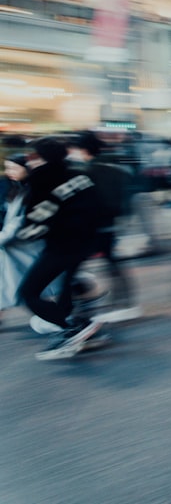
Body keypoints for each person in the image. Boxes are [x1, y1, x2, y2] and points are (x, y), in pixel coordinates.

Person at [17, 136, 103, 360]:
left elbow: (37, 221)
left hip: (61, 245)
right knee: (66, 289)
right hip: (86, 242)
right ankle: (84, 331)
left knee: (29, 292)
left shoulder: (44, 179)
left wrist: (23, 234)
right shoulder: (80, 174)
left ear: (42, 157)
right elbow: (98, 207)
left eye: (32, 156)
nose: (28, 161)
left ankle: (71, 328)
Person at [67, 131, 141, 322]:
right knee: (112, 264)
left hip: (91, 228)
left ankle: (82, 305)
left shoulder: (86, 173)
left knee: (71, 266)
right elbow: (127, 199)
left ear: (83, 150)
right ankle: (126, 302)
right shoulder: (118, 170)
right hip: (111, 226)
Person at [0, 152, 39, 324]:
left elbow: (16, 224)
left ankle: (59, 320)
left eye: (14, 168)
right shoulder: (16, 188)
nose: (10, 172)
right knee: (9, 285)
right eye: (8, 168)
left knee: (29, 288)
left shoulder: (30, 191)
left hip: (26, 248)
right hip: (15, 248)